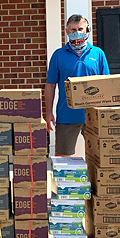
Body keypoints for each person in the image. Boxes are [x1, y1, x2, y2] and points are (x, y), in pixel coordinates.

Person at [45, 14, 110, 156]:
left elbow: (106, 84)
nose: (77, 32)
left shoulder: (98, 54)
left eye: (80, 29)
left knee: (99, 157)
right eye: (73, 29)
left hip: (94, 115)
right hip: (67, 115)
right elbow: (50, 85)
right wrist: (49, 113)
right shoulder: (58, 55)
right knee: (63, 159)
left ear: (87, 30)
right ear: (67, 31)